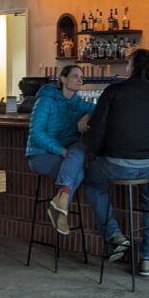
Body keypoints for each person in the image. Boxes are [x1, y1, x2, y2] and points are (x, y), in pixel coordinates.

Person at [83, 49, 149, 277]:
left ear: (132, 67)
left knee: (92, 182)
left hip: (118, 164)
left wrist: (99, 153)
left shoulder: (114, 91)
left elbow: (98, 127)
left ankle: (115, 236)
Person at [26, 65, 94, 235]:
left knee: (79, 148)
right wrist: (62, 151)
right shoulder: (46, 100)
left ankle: (60, 204)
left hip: (68, 155)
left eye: (81, 77)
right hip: (40, 155)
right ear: (63, 79)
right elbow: (36, 134)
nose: (80, 80)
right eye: (75, 76)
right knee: (78, 172)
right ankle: (60, 210)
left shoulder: (79, 104)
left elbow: (100, 109)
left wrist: (87, 116)